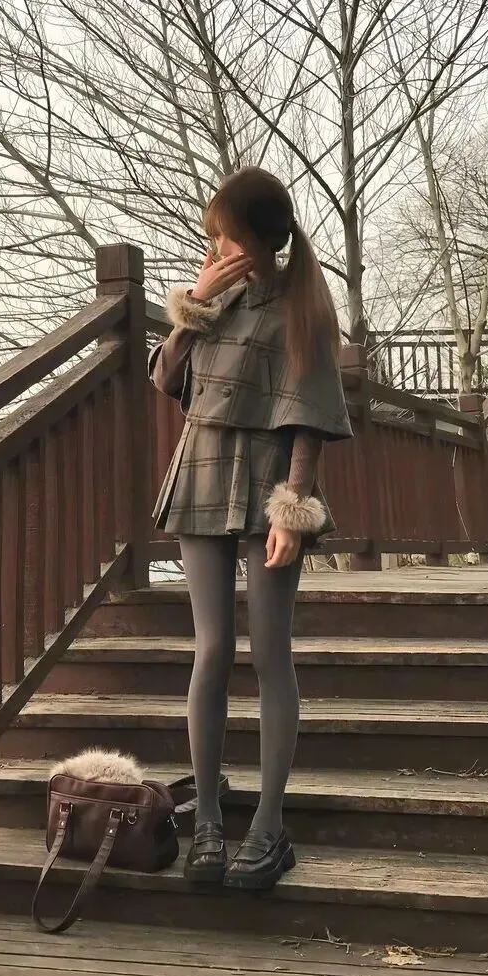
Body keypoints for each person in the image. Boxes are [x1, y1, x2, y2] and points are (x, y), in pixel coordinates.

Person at [148, 167, 352, 891]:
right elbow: (167, 380)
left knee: (270, 654)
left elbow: (309, 420)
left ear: (261, 239)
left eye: (225, 236)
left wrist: (292, 508)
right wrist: (191, 307)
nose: (216, 249)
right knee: (210, 649)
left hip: (268, 483)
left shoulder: (302, 307)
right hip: (201, 473)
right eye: (212, 237)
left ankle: (268, 827)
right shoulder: (218, 298)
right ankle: (207, 821)